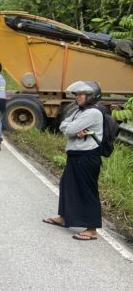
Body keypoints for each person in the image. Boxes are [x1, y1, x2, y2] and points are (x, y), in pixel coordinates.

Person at [43, 81, 105, 241]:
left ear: (91, 96)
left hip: (87, 156)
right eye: (76, 94)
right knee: (67, 186)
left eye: (81, 94)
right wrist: (72, 128)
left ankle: (92, 229)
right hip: (75, 155)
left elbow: (69, 129)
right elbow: (63, 125)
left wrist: (72, 128)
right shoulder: (79, 111)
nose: (77, 97)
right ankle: (64, 218)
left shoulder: (93, 113)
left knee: (87, 191)